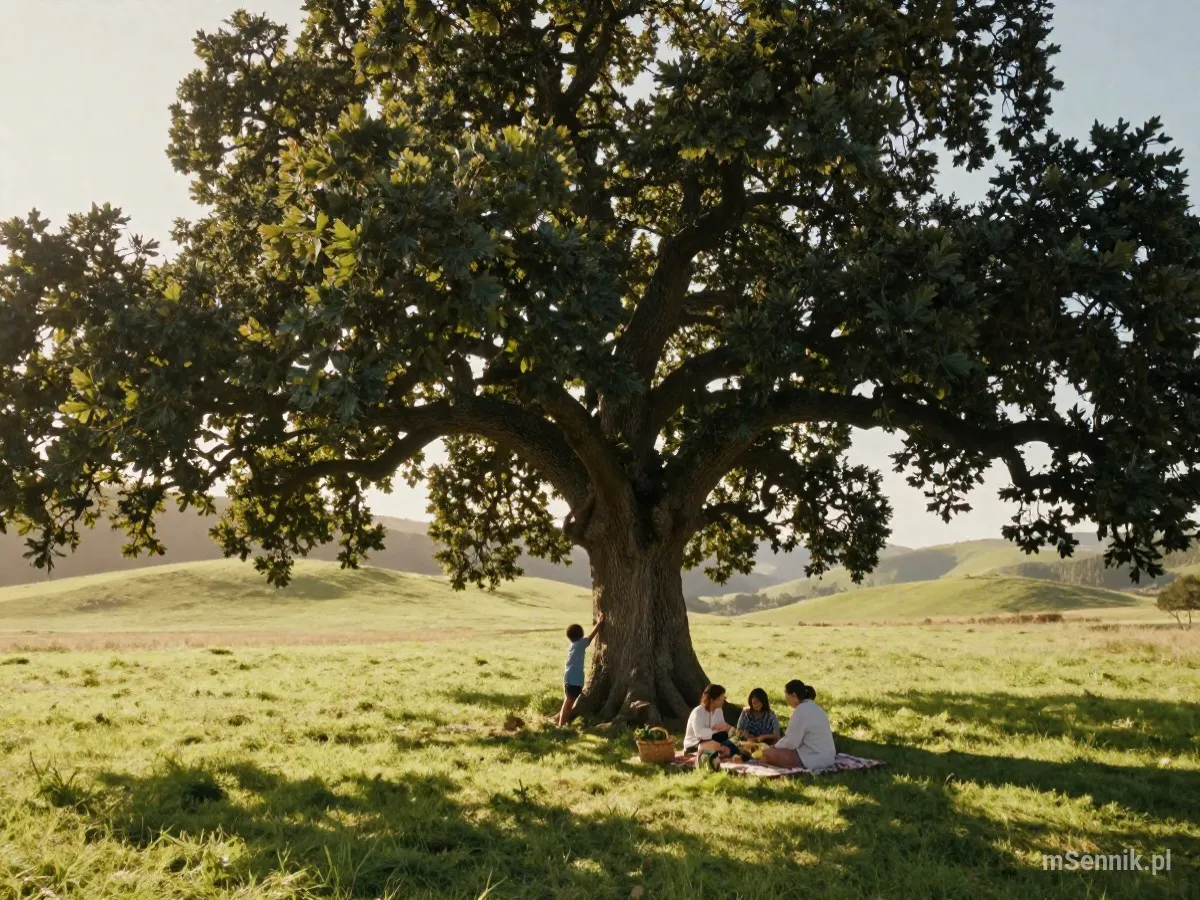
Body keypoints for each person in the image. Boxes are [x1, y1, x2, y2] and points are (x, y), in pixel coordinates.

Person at [760, 679, 836, 770]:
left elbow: (791, 743)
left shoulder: (801, 711)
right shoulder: (817, 708)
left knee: (764, 754)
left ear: (793, 695)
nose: (786, 698)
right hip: (829, 758)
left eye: (786, 694)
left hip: (814, 760)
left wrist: (774, 747)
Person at [556, 613, 605, 726]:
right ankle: (560, 725)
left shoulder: (573, 645)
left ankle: (561, 721)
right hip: (573, 680)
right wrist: (599, 623)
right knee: (568, 702)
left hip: (571, 679)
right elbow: (591, 637)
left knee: (570, 702)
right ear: (580, 635)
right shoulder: (579, 644)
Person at [683, 683, 748, 760]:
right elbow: (700, 734)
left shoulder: (719, 710)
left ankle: (733, 754)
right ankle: (714, 751)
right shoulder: (698, 712)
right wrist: (716, 730)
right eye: (721, 698)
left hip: (712, 741)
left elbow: (723, 729)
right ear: (712, 699)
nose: (723, 701)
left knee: (733, 746)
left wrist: (732, 731)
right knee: (720, 745)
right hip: (694, 745)